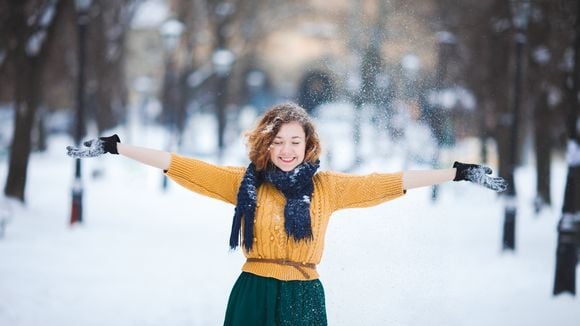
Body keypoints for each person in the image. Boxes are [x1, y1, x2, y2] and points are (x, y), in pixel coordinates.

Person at [66, 102, 506, 325]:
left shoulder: (327, 187)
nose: (287, 150)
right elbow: (180, 166)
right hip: (253, 291)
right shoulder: (244, 182)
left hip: (304, 297)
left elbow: (390, 183)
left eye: (295, 141)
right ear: (266, 145)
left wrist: (458, 172)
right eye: (278, 141)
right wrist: (116, 147)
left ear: (308, 145)